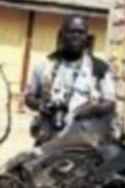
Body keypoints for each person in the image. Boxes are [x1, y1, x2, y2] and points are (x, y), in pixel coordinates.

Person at [24, 15, 117, 146]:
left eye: (81, 32)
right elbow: (29, 97)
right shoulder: (44, 66)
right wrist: (41, 105)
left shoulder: (99, 68)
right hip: (48, 137)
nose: (76, 36)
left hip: (83, 141)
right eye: (72, 31)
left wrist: (91, 109)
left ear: (86, 37)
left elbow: (110, 104)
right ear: (61, 35)